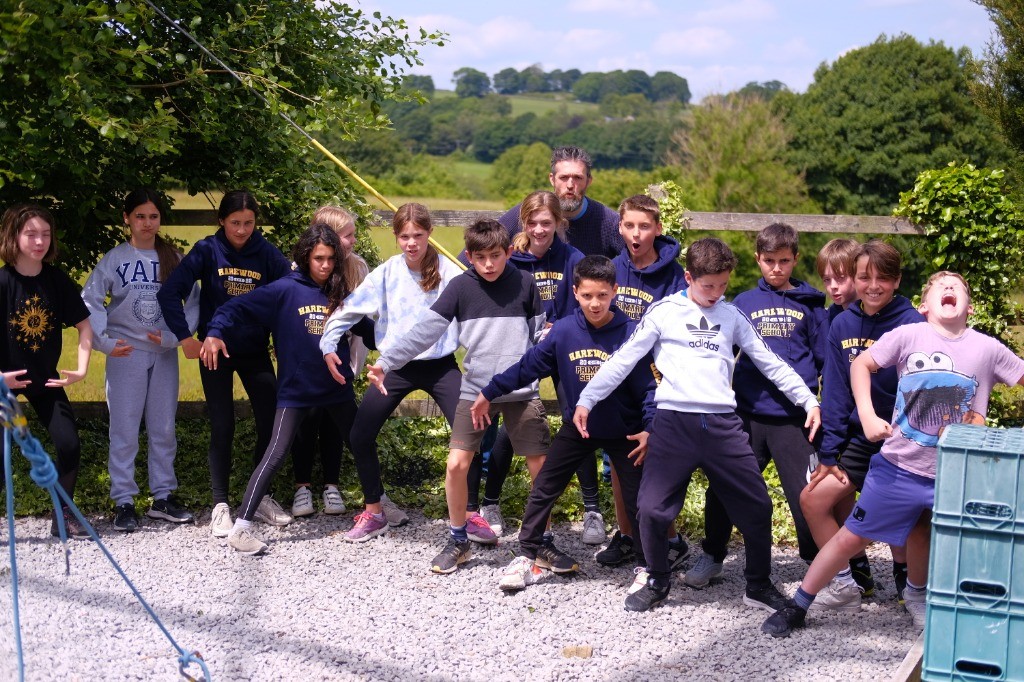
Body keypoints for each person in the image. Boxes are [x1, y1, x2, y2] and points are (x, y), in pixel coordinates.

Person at [763, 272, 1024, 637]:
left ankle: (918, 597)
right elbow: (860, 364)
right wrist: (868, 415)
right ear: (924, 305)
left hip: (955, 474)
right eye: (941, 286)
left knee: (926, 533)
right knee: (852, 536)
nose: (950, 288)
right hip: (898, 467)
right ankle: (800, 603)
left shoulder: (987, 348)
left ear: (970, 308)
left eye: (959, 286)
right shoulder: (908, 335)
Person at [573, 237, 821, 613]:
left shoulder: (732, 315)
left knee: (757, 506)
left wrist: (808, 400)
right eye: (708, 286)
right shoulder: (663, 312)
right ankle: (657, 579)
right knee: (651, 508)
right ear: (689, 277)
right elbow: (623, 359)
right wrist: (587, 399)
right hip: (673, 423)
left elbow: (770, 362)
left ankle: (758, 584)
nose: (716, 293)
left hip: (722, 424)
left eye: (723, 285)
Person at [366, 218, 549, 574]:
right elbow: (425, 331)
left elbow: (538, 336)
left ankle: (542, 542)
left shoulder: (526, 284)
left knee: (540, 467)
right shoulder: (460, 287)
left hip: (522, 391)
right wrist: (386, 362)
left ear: (509, 252)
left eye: (496, 256)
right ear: (469, 256)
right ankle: (458, 539)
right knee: (456, 465)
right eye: (480, 258)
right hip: (476, 389)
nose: (489, 264)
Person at [468, 256, 656, 591]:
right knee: (544, 487)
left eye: (602, 295)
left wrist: (649, 428)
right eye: (587, 296)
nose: (595, 303)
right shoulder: (565, 331)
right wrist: (489, 391)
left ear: (615, 291)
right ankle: (527, 555)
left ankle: (647, 566)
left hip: (624, 431)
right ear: (575, 292)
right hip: (578, 428)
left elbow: (648, 389)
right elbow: (527, 367)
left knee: (637, 500)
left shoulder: (632, 333)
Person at [201, 225, 357, 555]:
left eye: (331, 259)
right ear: (306, 257)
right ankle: (241, 528)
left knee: (362, 443)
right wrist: (214, 331)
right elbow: (232, 308)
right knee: (275, 453)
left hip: (337, 389)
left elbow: (368, 328)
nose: (325, 265)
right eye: (319, 258)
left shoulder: (339, 293)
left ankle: (379, 508)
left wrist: (393, 352)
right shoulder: (284, 289)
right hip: (296, 392)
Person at [686, 223, 826, 587]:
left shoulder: (812, 305)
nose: (776, 268)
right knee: (723, 486)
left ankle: (818, 563)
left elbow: (824, 360)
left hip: (794, 419)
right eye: (769, 261)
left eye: (784, 261)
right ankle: (713, 554)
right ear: (757, 259)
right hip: (746, 415)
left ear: (796, 259)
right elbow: (718, 352)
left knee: (808, 494)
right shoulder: (742, 304)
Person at [319, 203, 463, 542]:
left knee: (467, 433)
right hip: (394, 368)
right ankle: (374, 512)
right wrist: (328, 343)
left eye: (418, 235)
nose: (412, 243)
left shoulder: (451, 273)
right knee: (360, 434)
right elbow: (347, 310)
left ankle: (468, 515)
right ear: (396, 236)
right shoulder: (386, 273)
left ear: (430, 234)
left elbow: (477, 312)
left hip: (441, 366)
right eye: (404, 237)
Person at [157, 190, 292, 537]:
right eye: (235, 223)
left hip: (254, 350)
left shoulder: (267, 253)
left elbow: (292, 291)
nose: (242, 230)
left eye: (249, 223)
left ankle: (260, 497)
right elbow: (169, 292)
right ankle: (220, 505)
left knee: (270, 422)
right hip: (213, 351)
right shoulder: (207, 250)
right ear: (221, 221)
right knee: (223, 425)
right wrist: (186, 338)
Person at [799, 240, 923, 610]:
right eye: (864, 277)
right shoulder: (842, 323)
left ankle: (908, 585)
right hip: (859, 439)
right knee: (813, 499)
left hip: (902, 441)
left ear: (897, 281)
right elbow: (836, 392)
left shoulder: (913, 324)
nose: (873, 286)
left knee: (909, 512)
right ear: (855, 278)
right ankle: (845, 583)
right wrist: (829, 453)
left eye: (882, 278)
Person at [82, 189, 199, 532]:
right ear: (127, 218)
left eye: (153, 216)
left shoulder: (174, 258)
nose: (147, 223)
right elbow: (90, 299)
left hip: (163, 353)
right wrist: (104, 342)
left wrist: (174, 337)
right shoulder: (116, 258)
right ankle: (124, 501)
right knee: (125, 428)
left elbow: (194, 302)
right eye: (140, 216)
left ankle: (162, 497)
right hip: (126, 352)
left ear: (160, 219)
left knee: (163, 427)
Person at [470, 190, 583, 541]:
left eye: (546, 222)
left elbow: (583, 302)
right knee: (509, 419)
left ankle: (592, 508)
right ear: (523, 223)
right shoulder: (511, 258)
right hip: (519, 349)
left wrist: (559, 327)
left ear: (559, 223)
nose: (539, 229)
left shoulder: (573, 258)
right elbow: (486, 287)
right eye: (532, 222)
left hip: (561, 346)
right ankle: (490, 502)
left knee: (577, 416)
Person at [598, 194, 688, 568]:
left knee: (657, 464)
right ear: (620, 228)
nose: (636, 234)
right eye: (630, 226)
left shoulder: (674, 275)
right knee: (621, 463)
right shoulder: (611, 269)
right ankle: (627, 535)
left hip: (658, 380)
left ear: (658, 228)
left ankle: (671, 539)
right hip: (619, 381)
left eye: (645, 226)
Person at [0, 204, 93, 537]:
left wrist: (81, 369)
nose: (39, 241)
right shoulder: (2, 282)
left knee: (69, 444)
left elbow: (85, 326)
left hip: (45, 380)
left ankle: (63, 515)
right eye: (31, 234)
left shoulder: (56, 280)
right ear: (13, 236)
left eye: (45, 234)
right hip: (3, 384)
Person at [290, 206, 370, 519]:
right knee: (306, 420)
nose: (354, 241)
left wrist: (354, 365)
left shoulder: (358, 268)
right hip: (307, 360)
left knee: (335, 423)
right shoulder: (299, 270)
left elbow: (363, 321)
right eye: (348, 235)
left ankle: (331, 486)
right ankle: (302, 486)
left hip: (341, 358)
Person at [497, 146, 622, 259]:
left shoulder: (608, 222)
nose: (570, 185)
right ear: (552, 179)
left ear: (588, 181)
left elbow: (631, 262)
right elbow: (488, 245)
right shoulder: (527, 214)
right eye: (563, 177)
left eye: (578, 178)